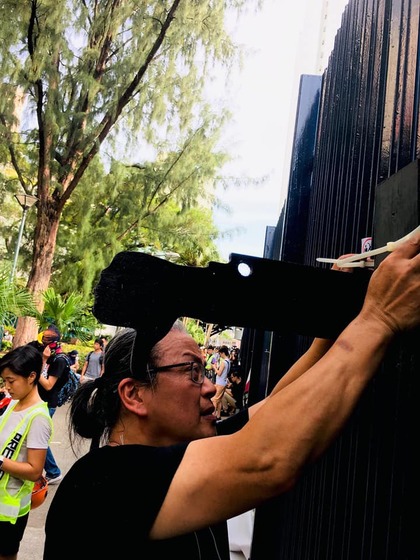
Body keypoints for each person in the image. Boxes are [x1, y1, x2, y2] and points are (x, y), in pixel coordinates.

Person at [43, 235, 420, 560]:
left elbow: (278, 406)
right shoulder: (100, 484)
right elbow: (267, 457)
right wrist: (379, 319)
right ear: (135, 395)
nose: (209, 385)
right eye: (192, 372)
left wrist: (337, 328)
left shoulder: (196, 448)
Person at [0, 345, 52, 560]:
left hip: (10, 510)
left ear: (32, 377)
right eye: (4, 381)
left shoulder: (38, 417)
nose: (7, 387)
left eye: (11, 381)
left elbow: (34, 471)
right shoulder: (14, 403)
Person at [36, 325, 69, 485]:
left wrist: (42, 361)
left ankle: (53, 471)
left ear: (55, 341)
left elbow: (48, 385)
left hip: (48, 404)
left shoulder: (59, 360)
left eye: (48, 339)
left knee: (38, 439)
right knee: (36, 438)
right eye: (43, 337)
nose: (44, 341)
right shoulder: (51, 356)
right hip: (41, 402)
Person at [211, 345, 230, 420]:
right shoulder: (228, 361)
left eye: (220, 353)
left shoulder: (223, 362)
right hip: (224, 382)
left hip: (220, 383)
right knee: (219, 400)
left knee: (214, 400)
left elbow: (219, 373)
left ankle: (213, 415)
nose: (219, 355)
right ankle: (218, 415)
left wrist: (214, 367)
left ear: (223, 353)